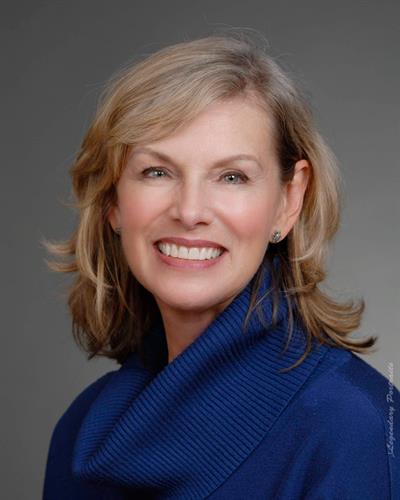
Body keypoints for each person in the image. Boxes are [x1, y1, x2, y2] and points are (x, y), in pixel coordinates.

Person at [42, 29, 399, 499]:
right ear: (112, 200)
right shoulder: (80, 428)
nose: (190, 211)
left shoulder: (354, 428)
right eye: (156, 171)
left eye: (232, 177)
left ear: (288, 201)